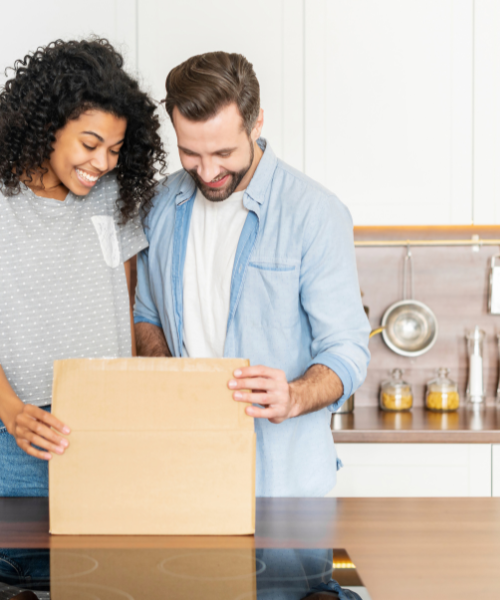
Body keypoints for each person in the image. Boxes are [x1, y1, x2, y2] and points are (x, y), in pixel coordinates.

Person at [0, 39, 166, 497]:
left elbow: (125, 313)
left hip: (109, 427)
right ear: (48, 125)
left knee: (110, 568)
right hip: (15, 432)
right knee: (15, 569)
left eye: (115, 149)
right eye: (90, 144)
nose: (103, 163)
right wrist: (15, 414)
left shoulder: (115, 196)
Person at [134, 52, 370, 497]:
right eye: (190, 153)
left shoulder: (314, 213)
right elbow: (146, 316)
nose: (207, 172)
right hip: (183, 476)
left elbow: (348, 349)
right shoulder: (161, 206)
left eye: (223, 152)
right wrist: (168, 380)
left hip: (285, 487)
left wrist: (295, 395)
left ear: (257, 123)